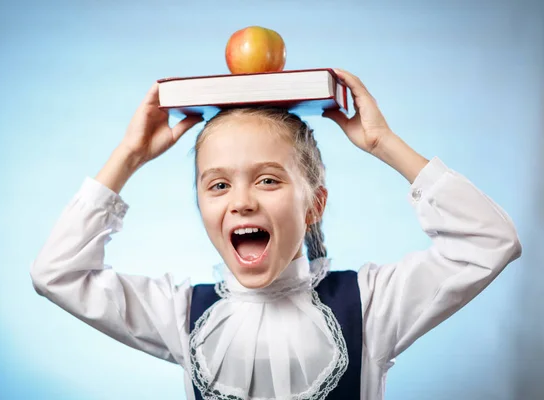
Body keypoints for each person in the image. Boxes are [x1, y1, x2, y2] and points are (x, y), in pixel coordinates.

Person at [30, 69, 522, 400]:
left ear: (314, 204)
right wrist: (128, 156)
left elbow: (489, 242)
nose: (242, 201)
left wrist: (382, 143)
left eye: (268, 179)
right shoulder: (182, 317)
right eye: (218, 184)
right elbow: (57, 274)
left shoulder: (371, 305)